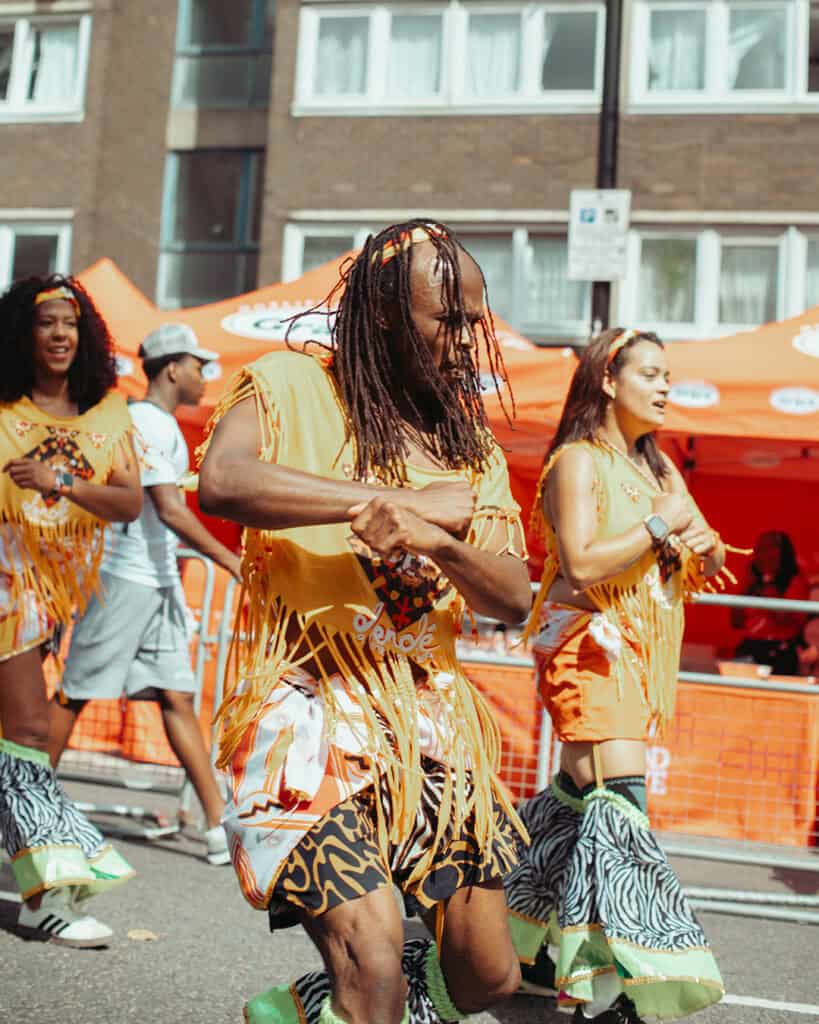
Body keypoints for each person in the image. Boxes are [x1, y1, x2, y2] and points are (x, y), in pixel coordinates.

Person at [197, 220, 532, 1024]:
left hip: (430, 728)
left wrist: (439, 543)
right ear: (384, 314)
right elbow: (222, 480)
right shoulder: (288, 383)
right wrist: (391, 504)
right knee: (374, 962)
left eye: (473, 321)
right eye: (445, 320)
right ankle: (355, 997)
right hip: (306, 712)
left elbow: (515, 596)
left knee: (490, 976)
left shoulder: (469, 444)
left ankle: (317, 1005)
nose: (466, 339)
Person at [504, 329, 734, 1023]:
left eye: (669, 376)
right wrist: (662, 528)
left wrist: (702, 541)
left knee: (580, 809)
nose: (666, 388)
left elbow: (702, 545)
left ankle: (516, 939)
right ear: (608, 379)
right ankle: (616, 987)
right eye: (652, 375)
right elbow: (579, 561)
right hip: (587, 648)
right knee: (620, 807)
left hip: (634, 652)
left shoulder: (658, 470)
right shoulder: (577, 461)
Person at [48, 323, 242, 865]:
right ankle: (26, 806)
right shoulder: (144, 422)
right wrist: (231, 560)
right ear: (172, 368)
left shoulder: (163, 425)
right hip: (124, 576)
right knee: (76, 692)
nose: (205, 377)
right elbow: (172, 509)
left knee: (176, 696)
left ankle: (215, 826)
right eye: (199, 366)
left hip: (154, 580)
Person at [0, 274, 142, 946]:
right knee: (29, 727)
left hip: (51, 592)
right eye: (45, 322)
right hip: (3, 580)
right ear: (21, 335)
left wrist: (62, 480)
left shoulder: (109, 415)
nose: (59, 335)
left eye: (71, 324)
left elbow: (129, 502)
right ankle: (52, 890)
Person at [731, 530, 809, 676]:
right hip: (751, 646)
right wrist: (747, 588)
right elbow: (735, 622)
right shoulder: (752, 581)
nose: (762, 554)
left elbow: (785, 618)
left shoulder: (795, 581)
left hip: (781, 650)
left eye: (769, 548)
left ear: (782, 552)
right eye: (759, 549)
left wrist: (769, 583)